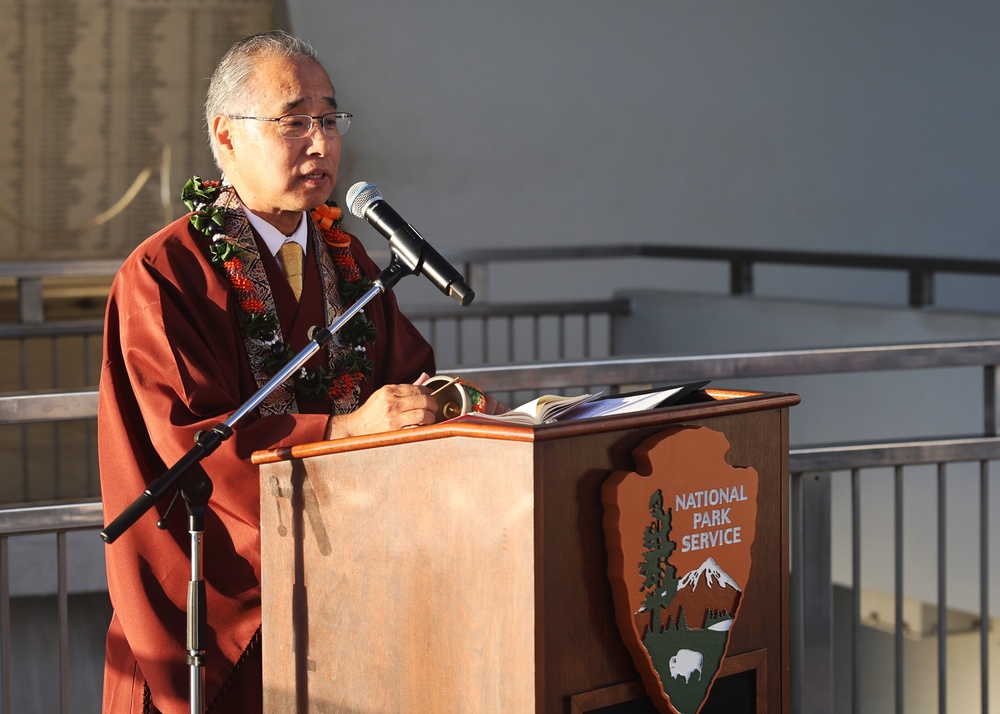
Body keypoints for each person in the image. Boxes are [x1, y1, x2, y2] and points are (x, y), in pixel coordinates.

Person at [99, 30, 470, 713]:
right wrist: (343, 432)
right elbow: (195, 444)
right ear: (227, 136)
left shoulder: (349, 260)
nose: (321, 143)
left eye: (329, 119)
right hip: (217, 614)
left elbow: (406, 378)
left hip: (348, 598)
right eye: (293, 121)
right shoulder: (166, 275)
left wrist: (444, 407)